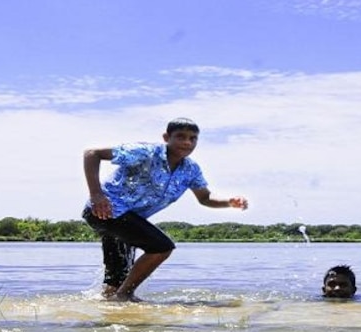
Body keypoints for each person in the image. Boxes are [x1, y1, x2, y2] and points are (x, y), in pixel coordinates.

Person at [82, 117, 248, 301]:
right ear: (166, 137)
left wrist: (229, 202)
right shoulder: (145, 153)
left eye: (193, 138)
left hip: (128, 221)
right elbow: (92, 153)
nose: (187, 142)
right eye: (180, 136)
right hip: (106, 211)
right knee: (161, 247)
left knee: (117, 279)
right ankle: (125, 295)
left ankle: (110, 312)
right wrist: (96, 194)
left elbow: (205, 198)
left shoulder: (191, 169)